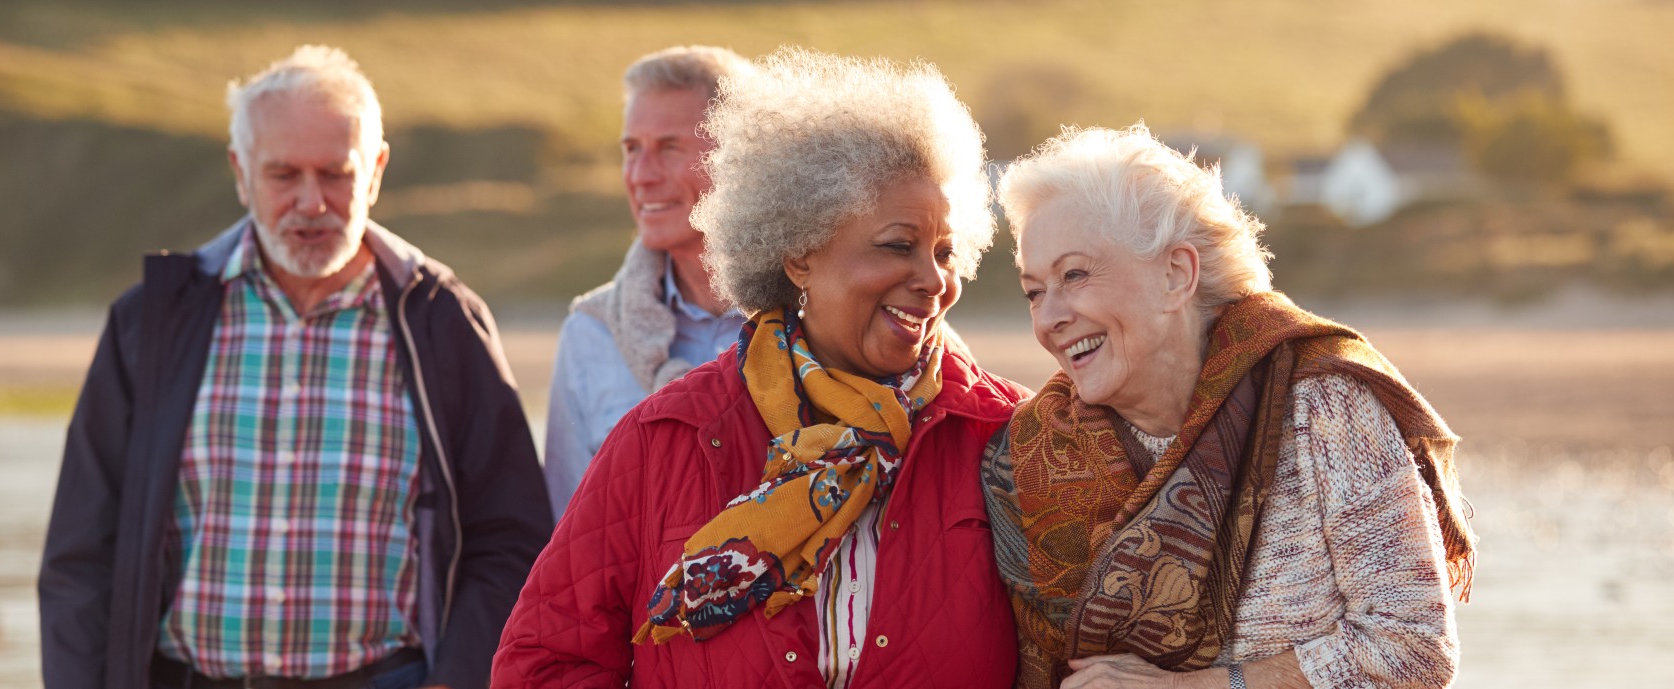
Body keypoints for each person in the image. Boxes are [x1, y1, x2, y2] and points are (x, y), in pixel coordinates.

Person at [492, 48, 1028, 688]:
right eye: (898, 246)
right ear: (799, 255)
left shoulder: (1008, 437)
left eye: (945, 251)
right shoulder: (665, 435)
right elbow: (548, 662)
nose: (934, 280)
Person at [38, 46, 552, 689]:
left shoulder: (443, 324)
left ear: (376, 170)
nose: (312, 203)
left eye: (335, 174)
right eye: (284, 174)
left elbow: (509, 540)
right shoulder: (153, 323)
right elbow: (82, 556)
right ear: (240, 171)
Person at [984, 124, 1475, 689]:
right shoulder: (1030, 453)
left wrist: (1187, 688)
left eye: (1074, 275)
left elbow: (1412, 648)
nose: (1049, 319)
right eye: (1033, 291)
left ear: (1176, 275)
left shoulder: (1322, 405)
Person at [543, 45, 753, 520]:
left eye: (669, 147)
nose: (639, 176)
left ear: (742, 159)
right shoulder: (590, 335)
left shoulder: (827, 320)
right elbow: (565, 542)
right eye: (631, 150)